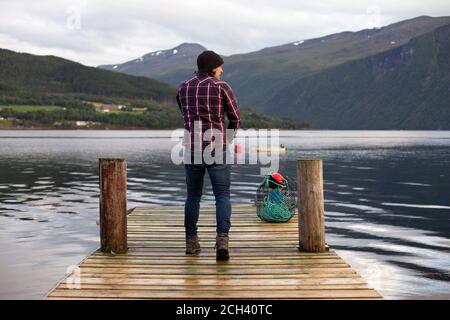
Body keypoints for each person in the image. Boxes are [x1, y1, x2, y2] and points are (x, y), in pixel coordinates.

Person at [176, 50, 241, 261]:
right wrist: (227, 139)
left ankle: (190, 242)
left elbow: (184, 112)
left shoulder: (183, 87)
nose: (222, 70)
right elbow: (235, 119)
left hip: (192, 147)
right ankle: (222, 241)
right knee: (222, 195)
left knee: (193, 196)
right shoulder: (221, 87)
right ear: (213, 67)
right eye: (220, 66)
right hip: (217, 147)